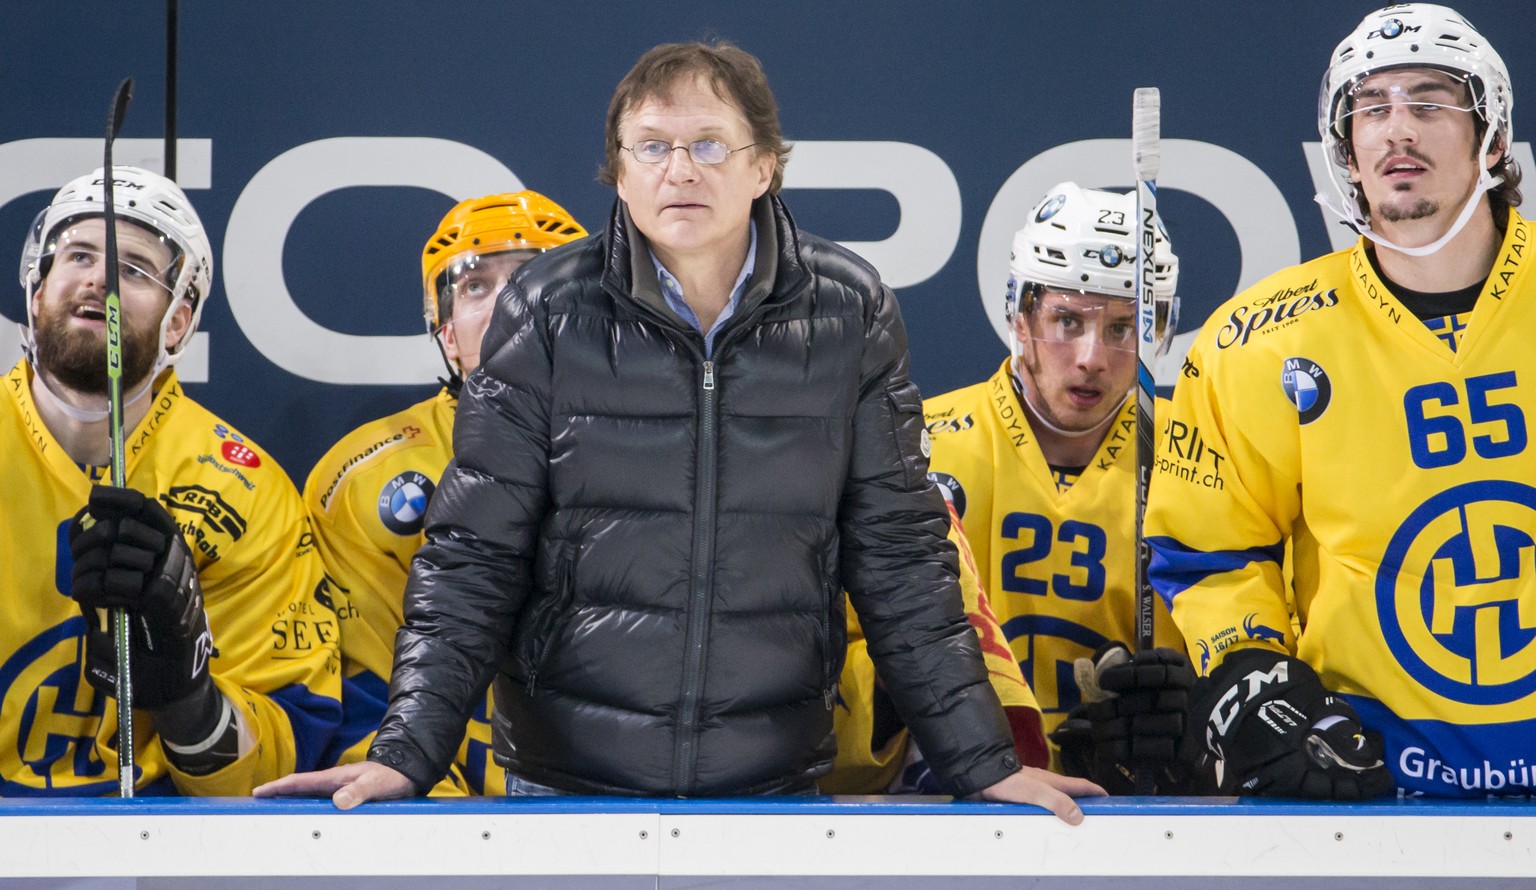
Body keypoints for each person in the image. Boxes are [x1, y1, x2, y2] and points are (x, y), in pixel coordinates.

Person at [257, 39, 1102, 822]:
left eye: (709, 145)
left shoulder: (849, 311)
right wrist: (407, 753)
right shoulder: (546, 311)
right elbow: (475, 553)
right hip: (563, 782)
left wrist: (980, 760)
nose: (679, 171)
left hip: (771, 782)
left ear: (765, 166)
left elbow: (900, 555)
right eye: (652, 147)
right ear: (619, 175)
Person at [1147, 2, 1531, 799]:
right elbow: (1208, 554)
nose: (1399, 130)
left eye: (1430, 103)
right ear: (1346, 151)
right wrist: (1252, 672)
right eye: (1372, 109)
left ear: (1493, 137)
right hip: (1367, 788)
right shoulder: (1257, 339)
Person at [2, 166, 341, 795]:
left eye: (133, 269)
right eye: (77, 254)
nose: (98, 277)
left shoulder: (245, 488)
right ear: (37, 286)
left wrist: (189, 701)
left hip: (157, 847)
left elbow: (293, 753)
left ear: (179, 321)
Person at [304, 191, 588, 795]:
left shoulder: (668, 451)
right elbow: (368, 703)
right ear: (445, 330)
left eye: (536, 279)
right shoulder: (357, 482)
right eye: (476, 287)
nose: (511, 306)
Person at [916, 182, 1195, 793]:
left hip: (1136, 816)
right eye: (1067, 320)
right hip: (956, 802)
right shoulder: (923, 444)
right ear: (1020, 316)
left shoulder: (1196, 455)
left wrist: (1194, 725)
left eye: (1123, 328)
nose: (1093, 357)